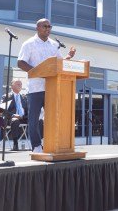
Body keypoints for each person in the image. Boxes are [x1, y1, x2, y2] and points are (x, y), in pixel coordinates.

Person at [17, 18, 76, 153]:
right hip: (36, 88)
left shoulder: (54, 45)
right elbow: (21, 63)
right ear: (37, 27)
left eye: (50, 26)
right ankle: (37, 146)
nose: (48, 28)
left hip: (52, 87)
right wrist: (39, 72)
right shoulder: (29, 44)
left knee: (54, 117)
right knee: (34, 118)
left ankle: (55, 145)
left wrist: (69, 57)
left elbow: (59, 63)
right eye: (45, 26)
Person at [2, 79, 28, 151]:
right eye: (18, 84)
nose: (20, 86)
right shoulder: (6, 96)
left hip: (23, 117)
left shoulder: (24, 97)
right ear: (12, 86)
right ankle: (15, 143)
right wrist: (14, 115)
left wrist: (26, 116)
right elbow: (3, 110)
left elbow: (27, 110)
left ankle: (38, 143)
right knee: (15, 120)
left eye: (21, 84)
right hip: (11, 119)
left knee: (38, 121)